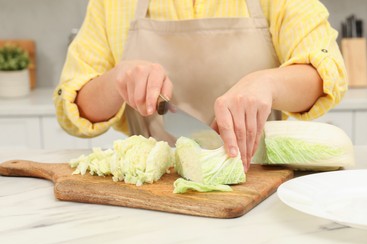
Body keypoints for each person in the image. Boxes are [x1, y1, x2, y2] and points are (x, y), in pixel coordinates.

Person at [54, 0, 347, 172]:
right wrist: (116, 81)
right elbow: (74, 108)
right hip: (151, 196)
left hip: (257, 183)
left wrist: (267, 82)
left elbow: (325, 72)